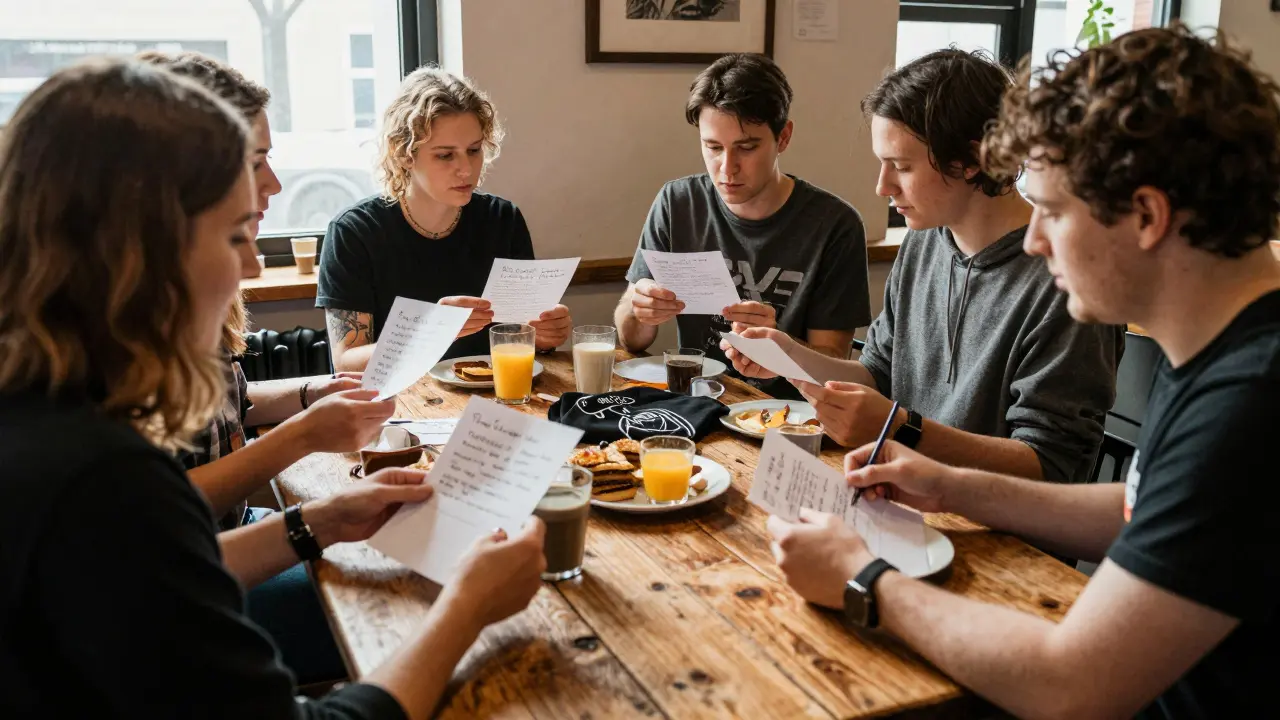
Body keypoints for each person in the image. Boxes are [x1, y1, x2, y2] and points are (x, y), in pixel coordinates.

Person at [0, 57, 546, 719]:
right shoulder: (99, 476)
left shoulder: (47, 408)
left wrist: (317, 519)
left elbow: (154, 568)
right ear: (137, 244)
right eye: (236, 234)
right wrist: (468, 609)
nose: (254, 264)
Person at [768, 26, 1280, 718]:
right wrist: (951, 484)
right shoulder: (1232, 354)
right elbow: (1141, 504)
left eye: (1054, 210)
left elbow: (1073, 686)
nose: (1035, 239)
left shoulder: (1250, 404)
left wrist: (865, 579)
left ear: (1147, 215)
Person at [724, 49, 1123, 484]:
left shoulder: (1066, 283)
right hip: (902, 500)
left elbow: (1052, 467)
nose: (882, 186)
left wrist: (901, 428)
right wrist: (790, 356)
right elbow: (876, 375)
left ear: (972, 159)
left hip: (997, 535)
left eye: (901, 166)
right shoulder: (924, 240)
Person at [137, 50, 400, 686]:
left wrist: (311, 393)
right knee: (396, 600)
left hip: (235, 533)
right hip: (196, 584)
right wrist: (306, 439)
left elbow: (223, 406)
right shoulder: (124, 328)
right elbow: (160, 522)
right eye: (257, 163)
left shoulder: (192, 280)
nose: (275, 185)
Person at [615, 53, 871, 400]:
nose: (727, 168)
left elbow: (833, 361)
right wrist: (639, 309)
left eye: (746, 147)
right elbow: (632, 338)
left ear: (783, 138)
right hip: (695, 402)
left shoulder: (834, 226)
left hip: (787, 414)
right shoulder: (677, 204)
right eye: (713, 147)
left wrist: (778, 343)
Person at [318, 67, 572, 371]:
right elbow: (347, 363)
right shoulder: (354, 232)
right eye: (445, 155)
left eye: (474, 150)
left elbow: (519, 339)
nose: (466, 169)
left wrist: (544, 336)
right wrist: (430, 333)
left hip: (493, 396)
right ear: (403, 154)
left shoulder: (503, 220)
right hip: (402, 404)